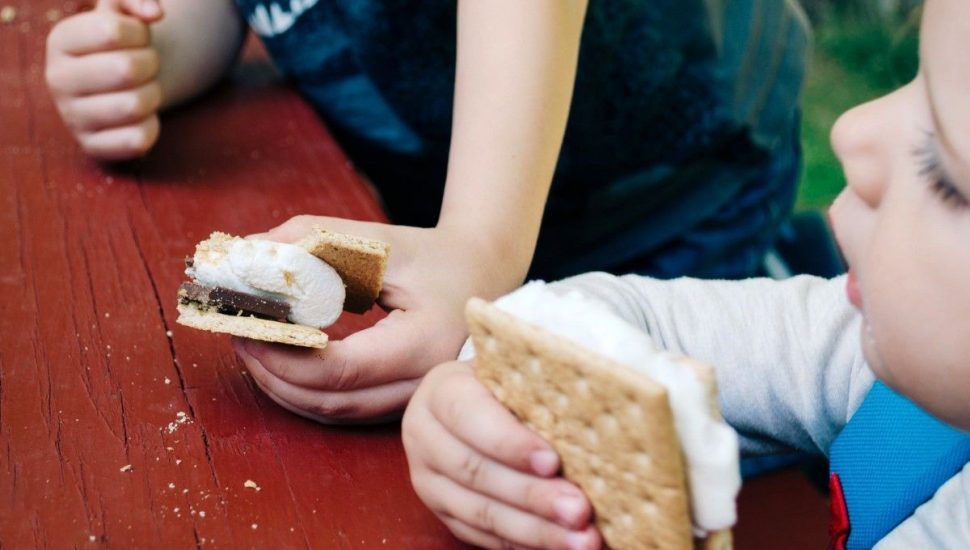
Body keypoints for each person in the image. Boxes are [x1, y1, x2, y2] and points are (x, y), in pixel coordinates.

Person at [45, 0, 808, 421]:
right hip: (435, 188)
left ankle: (802, 294)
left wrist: (480, 243)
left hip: (667, 192)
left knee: (658, 434)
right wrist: (147, 58)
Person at [400, 0, 970, 547]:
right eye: (913, 80)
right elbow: (611, 323)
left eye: (945, 172)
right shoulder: (852, 348)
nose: (850, 130)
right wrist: (482, 395)